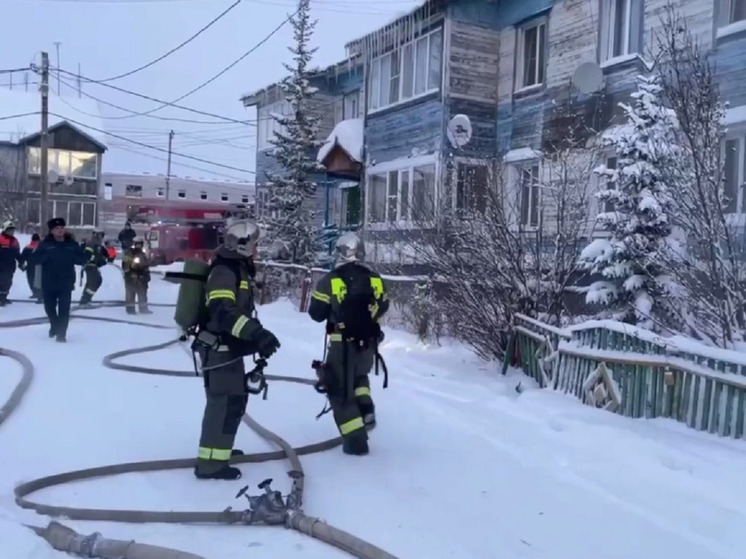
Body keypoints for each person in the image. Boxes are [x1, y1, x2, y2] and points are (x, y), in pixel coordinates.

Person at [192, 218, 281, 480]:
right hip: (218, 349)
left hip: (228, 349)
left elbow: (240, 312)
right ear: (243, 246)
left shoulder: (237, 270)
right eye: (254, 245)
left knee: (234, 401)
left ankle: (220, 450)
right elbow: (223, 312)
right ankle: (210, 465)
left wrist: (257, 339)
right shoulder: (225, 271)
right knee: (223, 404)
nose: (257, 250)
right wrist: (256, 333)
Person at [307, 232, 389, 456]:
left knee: (338, 389)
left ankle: (356, 442)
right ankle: (365, 407)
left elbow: (316, 313)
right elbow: (383, 305)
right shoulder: (375, 278)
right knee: (359, 379)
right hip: (368, 346)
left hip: (342, 345)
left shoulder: (331, 280)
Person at [29, 217, 87, 342]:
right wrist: (43, 258)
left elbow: (81, 259)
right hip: (48, 282)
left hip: (66, 281)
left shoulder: (71, 244)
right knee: (49, 308)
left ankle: (62, 333)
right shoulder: (45, 245)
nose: (60, 230)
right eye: (57, 228)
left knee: (64, 309)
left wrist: (81, 257)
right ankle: (54, 325)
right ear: (52, 231)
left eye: (62, 228)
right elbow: (34, 259)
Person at [79, 229, 109, 307]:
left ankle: (87, 298)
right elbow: (88, 255)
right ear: (96, 235)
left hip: (94, 266)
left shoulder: (98, 245)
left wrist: (102, 260)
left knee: (97, 280)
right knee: (93, 282)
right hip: (90, 266)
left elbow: (101, 255)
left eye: (102, 235)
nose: (101, 237)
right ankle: (84, 300)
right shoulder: (92, 243)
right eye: (100, 235)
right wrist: (95, 260)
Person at [122, 237, 151, 314]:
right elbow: (125, 265)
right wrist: (129, 275)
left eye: (140, 244)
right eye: (137, 244)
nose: (138, 246)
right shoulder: (129, 253)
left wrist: (147, 274)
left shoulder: (143, 254)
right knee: (130, 292)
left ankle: (143, 309)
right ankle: (130, 309)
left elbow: (146, 265)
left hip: (141, 276)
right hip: (132, 276)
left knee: (142, 292)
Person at [0, 220, 22, 306]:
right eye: (10, 230)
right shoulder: (0, 239)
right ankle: (1, 299)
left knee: (8, 282)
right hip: (1, 266)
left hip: (10, 266)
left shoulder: (14, 241)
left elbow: (17, 253)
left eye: (12, 230)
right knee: (3, 282)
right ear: (5, 230)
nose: (12, 232)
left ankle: (3, 297)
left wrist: (21, 262)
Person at [20, 233, 42, 302]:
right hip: (40, 266)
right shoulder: (42, 247)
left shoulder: (27, 247)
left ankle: (35, 293)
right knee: (39, 281)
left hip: (30, 266)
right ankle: (40, 294)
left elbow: (22, 257)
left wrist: (21, 265)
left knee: (31, 280)